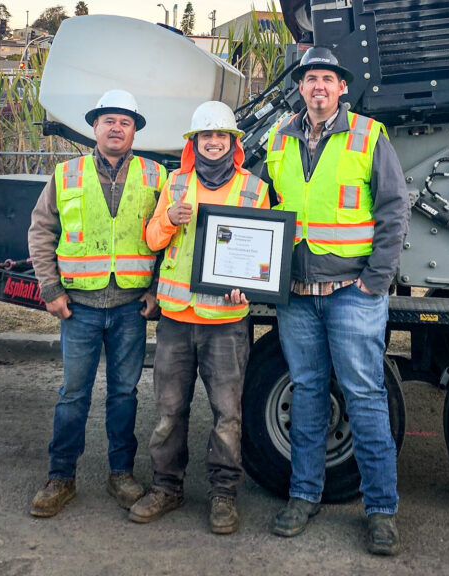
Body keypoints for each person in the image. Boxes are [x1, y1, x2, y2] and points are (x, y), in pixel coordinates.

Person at [263, 47, 410, 555]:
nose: (318, 87)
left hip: (352, 293)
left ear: (341, 87)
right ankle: (303, 497)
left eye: (327, 78)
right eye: (310, 79)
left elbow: (394, 209)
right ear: (301, 88)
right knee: (307, 395)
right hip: (297, 297)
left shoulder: (369, 135)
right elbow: (260, 207)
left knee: (365, 399)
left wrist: (376, 279)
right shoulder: (279, 139)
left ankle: (381, 510)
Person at [128, 101, 269, 534]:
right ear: (193, 143)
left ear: (233, 143)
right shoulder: (175, 184)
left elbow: (261, 252)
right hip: (176, 318)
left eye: (220, 137)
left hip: (226, 321)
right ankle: (166, 488)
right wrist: (168, 219)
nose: (212, 143)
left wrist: (247, 281)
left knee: (227, 414)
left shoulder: (253, 189)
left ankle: (223, 495)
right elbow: (151, 239)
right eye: (204, 137)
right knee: (169, 412)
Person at [27, 89, 166, 517]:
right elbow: (40, 231)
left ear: (134, 130)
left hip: (130, 307)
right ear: (95, 128)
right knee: (73, 394)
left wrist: (155, 291)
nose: (116, 128)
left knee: (124, 394)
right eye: (109, 121)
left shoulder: (155, 175)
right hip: (80, 307)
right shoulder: (66, 174)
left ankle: (120, 474)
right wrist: (51, 290)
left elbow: (169, 241)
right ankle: (60, 477)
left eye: (125, 122)